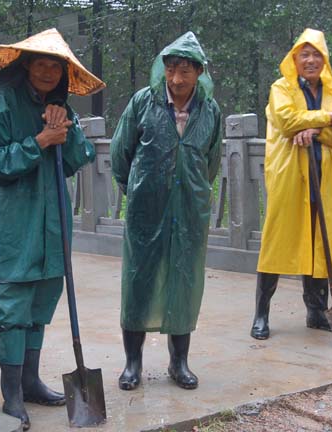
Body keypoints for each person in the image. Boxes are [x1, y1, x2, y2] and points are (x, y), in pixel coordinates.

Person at [0, 29, 104, 429]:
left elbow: (77, 159)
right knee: (12, 307)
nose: (48, 71)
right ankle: (11, 392)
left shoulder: (60, 107)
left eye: (56, 65)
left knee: (40, 304)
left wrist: (67, 127)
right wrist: (41, 140)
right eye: (41, 63)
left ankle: (30, 381)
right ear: (26, 65)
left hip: (51, 224)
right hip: (11, 224)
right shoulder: (1, 105)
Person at [110, 31, 221, 391]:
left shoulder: (211, 110)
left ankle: (179, 362)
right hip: (147, 211)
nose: (176, 79)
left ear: (199, 72)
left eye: (185, 71)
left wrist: (190, 190)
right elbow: (120, 153)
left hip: (189, 212)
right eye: (171, 69)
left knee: (184, 282)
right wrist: (139, 191)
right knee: (138, 281)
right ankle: (132, 364)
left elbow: (211, 163)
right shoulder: (143, 102)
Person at [251, 28, 332, 340]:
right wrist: (329, 118)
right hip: (289, 175)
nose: (310, 60)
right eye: (304, 54)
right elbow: (286, 121)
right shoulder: (281, 88)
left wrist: (314, 129)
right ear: (294, 59)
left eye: (316, 55)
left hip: (323, 176)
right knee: (275, 242)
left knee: (320, 244)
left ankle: (316, 311)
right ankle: (261, 314)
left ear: (324, 60)